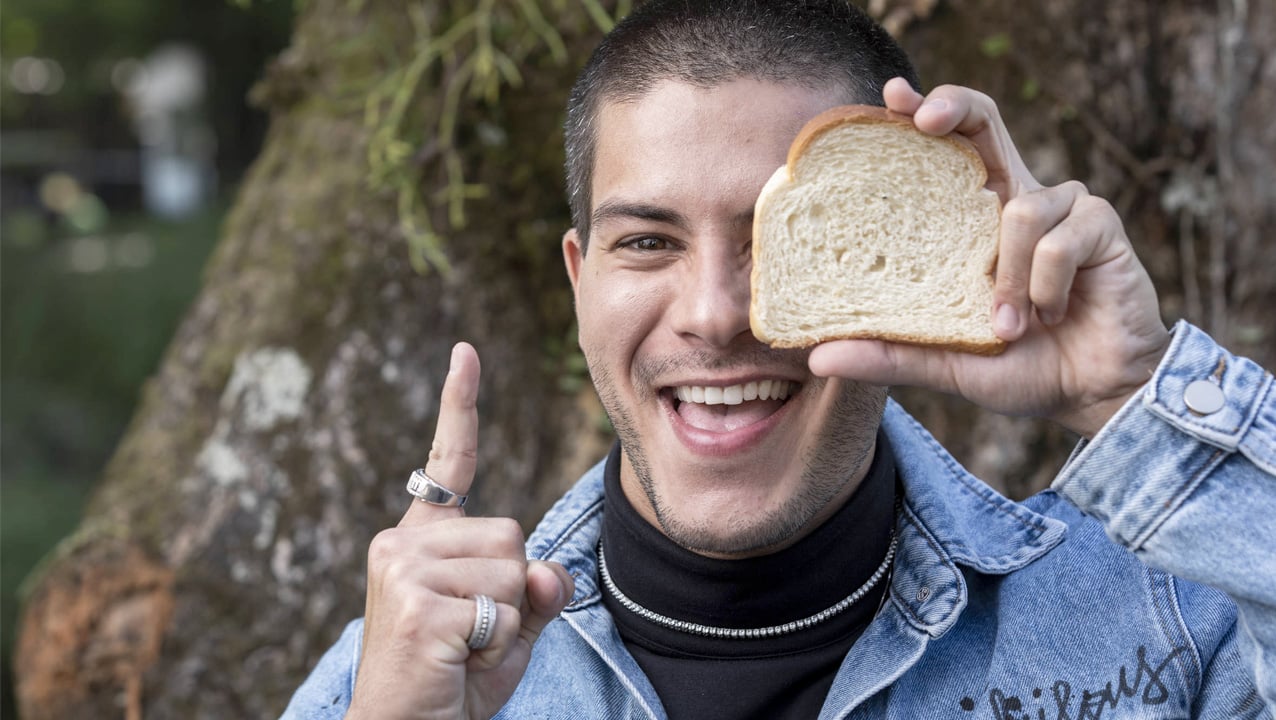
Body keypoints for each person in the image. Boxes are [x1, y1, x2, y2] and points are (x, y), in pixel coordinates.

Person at [282, 1, 1275, 717]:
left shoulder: (1166, 618)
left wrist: (1132, 397)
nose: (715, 315)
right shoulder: (398, 673)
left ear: (904, 261)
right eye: (647, 242)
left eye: (781, 240)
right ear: (580, 281)